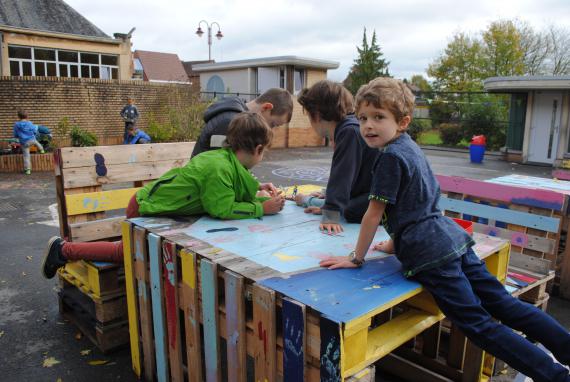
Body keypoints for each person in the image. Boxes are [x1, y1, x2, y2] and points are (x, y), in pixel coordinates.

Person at [319, 77, 570, 382]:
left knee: (478, 324)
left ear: (403, 122)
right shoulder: (409, 147)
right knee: (504, 304)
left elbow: (373, 214)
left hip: (431, 254)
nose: (368, 126)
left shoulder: (388, 159)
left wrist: (356, 257)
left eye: (378, 117)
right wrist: (395, 242)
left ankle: (556, 376)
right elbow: (417, 203)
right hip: (451, 239)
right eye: (362, 118)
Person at [42, 112, 285, 279]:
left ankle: (66, 249)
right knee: (125, 253)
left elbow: (231, 191)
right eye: (265, 154)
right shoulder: (218, 167)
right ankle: (63, 251)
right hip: (145, 208)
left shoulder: (227, 162)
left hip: (163, 212)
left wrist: (257, 191)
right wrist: (262, 208)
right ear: (258, 149)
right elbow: (221, 209)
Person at [296, 80, 379, 233]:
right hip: (373, 193)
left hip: (384, 200)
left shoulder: (348, 131)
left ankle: (314, 202)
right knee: (348, 206)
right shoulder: (351, 127)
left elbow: (342, 175)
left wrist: (331, 213)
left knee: (350, 210)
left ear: (316, 115)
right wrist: (329, 198)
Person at [191, 88, 293, 158]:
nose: (270, 129)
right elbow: (218, 171)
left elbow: (233, 167)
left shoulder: (239, 119)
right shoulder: (228, 122)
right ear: (266, 107)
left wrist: (255, 185)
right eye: (273, 124)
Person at [13, 110, 45, 175]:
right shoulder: (29, 123)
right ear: (27, 116)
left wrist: (17, 137)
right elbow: (34, 130)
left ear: (18, 117)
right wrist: (34, 133)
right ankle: (41, 150)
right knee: (36, 142)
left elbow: (15, 134)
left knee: (26, 156)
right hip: (31, 140)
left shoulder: (16, 124)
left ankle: (28, 170)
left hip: (24, 142)